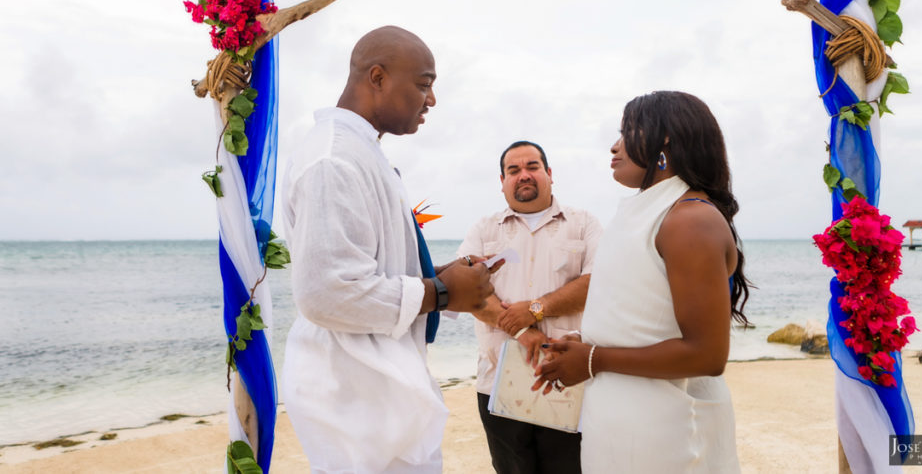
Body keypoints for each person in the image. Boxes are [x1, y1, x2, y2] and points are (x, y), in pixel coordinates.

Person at [281, 26, 498, 473]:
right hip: (354, 400)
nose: (431, 100)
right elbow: (326, 293)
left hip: (377, 391)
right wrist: (440, 292)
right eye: (423, 84)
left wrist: (444, 274)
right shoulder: (333, 159)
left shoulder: (359, 152)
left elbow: (368, 269)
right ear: (377, 78)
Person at [533, 91, 751, 473]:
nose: (614, 145)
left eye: (628, 130)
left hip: (668, 436)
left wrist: (594, 359)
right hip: (625, 426)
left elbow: (708, 355)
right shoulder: (652, 211)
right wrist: (587, 343)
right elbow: (643, 317)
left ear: (664, 140)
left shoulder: (689, 220)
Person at [457, 140, 602, 474]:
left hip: (567, 380)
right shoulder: (483, 229)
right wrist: (522, 331)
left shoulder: (584, 224)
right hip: (497, 385)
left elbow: (598, 282)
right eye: (514, 170)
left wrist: (536, 308)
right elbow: (468, 293)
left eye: (532, 167)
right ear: (502, 181)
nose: (524, 175)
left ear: (549, 173)